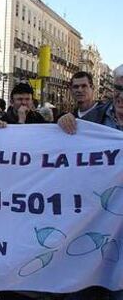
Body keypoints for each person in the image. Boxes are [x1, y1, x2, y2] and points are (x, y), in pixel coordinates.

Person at [58, 65, 123, 300]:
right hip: (94, 217)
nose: (121, 94)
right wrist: (65, 120)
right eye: (118, 87)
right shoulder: (95, 119)